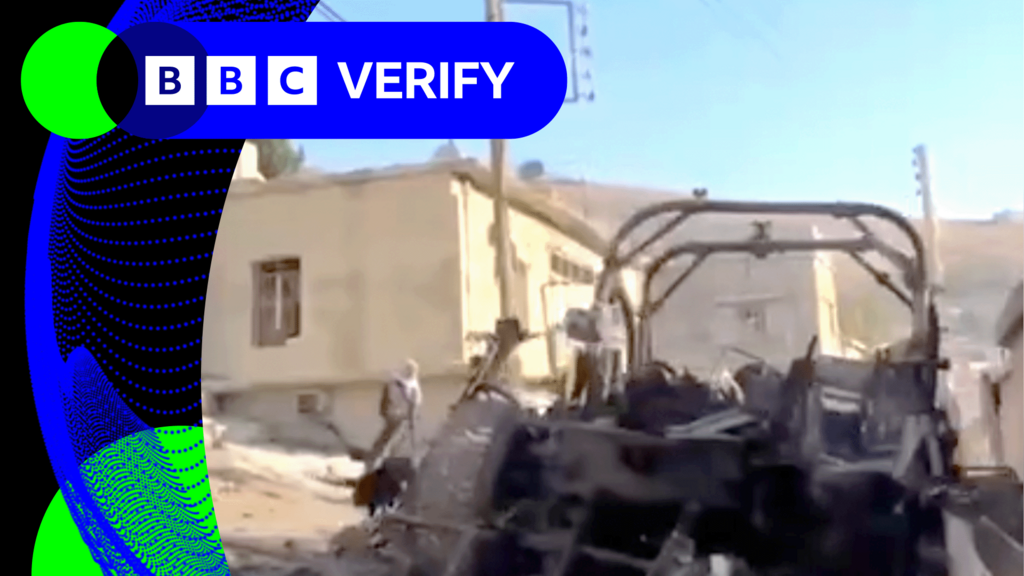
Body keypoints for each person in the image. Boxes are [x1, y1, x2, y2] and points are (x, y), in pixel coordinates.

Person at [364, 359, 422, 474]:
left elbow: (384, 401)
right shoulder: (411, 386)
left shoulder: (394, 383)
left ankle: (374, 464)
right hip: (401, 418)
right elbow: (414, 404)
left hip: (394, 416)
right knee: (392, 443)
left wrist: (385, 412)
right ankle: (377, 465)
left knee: (386, 442)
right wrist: (411, 421)